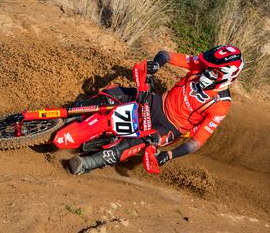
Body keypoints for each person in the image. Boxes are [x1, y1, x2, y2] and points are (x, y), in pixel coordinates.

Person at [68, 45, 244, 175]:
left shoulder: (221, 105)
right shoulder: (200, 65)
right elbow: (167, 55)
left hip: (168, 129)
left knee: (134, 143)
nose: (205, 71)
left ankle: (85, 164)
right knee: (115, 93)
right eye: (206, 66)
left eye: (212, 71)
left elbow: (195, 143)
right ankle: (70, 112)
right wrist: (157, 64)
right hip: (157, 102)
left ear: (226, 76)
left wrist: (168, 155)